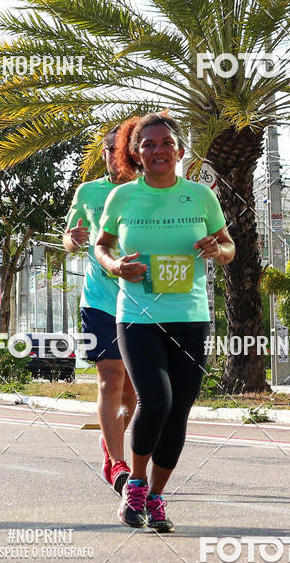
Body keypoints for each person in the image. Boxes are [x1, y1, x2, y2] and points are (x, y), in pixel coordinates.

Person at [95, 113, 235, 533]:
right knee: (155, 401)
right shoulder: (121, 198)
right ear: (136, 153)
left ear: (180, 150)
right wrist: (116, 265)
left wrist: (217, 249)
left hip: (191, 318)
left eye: (166, 143)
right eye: (148, 144)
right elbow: (102, 246)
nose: (158, 150)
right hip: (138, 317)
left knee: (179, 412)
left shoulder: (200, 197)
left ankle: (156, 498)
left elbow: (229, 247)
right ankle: (134, 485)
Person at [63, 127, 138, 495]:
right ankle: (119, 465)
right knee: (110, 380)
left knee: (132, 396)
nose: (112, 155)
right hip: (99, 301)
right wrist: (72, 240)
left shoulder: (150, 192)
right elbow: (69, 236)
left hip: (143, 302)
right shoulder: (88, 192)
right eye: (108, 150)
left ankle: (110, 450)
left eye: (119, 149)